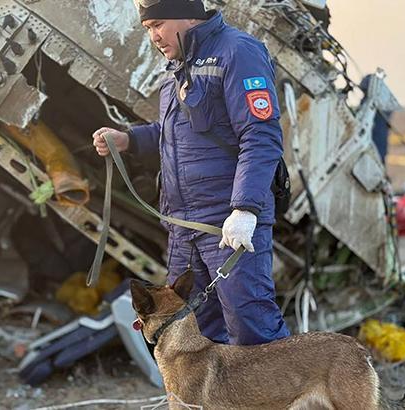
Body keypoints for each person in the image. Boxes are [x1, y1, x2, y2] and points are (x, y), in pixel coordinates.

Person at [92, 0, 289, 346]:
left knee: (252, 330)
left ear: (187, 12)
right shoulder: (177, 68)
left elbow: (261, 135)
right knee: (192, 338)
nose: (153, 36)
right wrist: (128, 140)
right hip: (183, 229)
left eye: (157, 24)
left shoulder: (237, 52)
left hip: (225, 225)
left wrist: (244, 210)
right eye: (147, 28)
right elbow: (176, 135)